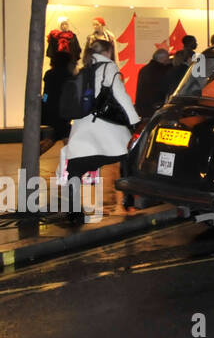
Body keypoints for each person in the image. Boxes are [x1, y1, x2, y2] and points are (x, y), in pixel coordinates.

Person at [59, 39, 140, 222]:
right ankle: (128, 200)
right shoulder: (108, 68)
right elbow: (121, 96)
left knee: (75, 168)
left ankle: (73, 210)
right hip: (106, 126)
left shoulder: (84, 69)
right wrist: (135, 121)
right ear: (108, 52)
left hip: (82, 125)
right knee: (126, 156)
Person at [41, 51, 76, 148]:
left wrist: (44, 103)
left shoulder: (49, 74)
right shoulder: (69, 76)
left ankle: (36, 153)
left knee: (57, 134)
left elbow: (46, 93)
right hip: (63, 110)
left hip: (51, 109)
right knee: (64, 133)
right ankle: (70, 158)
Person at [134, 45, 174, 120]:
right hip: (155, 108)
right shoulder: (162, 70)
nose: (169, 60)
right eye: (167, 58)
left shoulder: (144, 69)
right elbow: (164, 88)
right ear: (162, 59)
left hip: (143, 108)